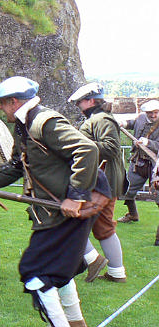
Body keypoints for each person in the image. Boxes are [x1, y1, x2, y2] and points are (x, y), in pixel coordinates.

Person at [0, 76, 98, 327]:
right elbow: (15, 167)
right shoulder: (23, 126)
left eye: (2, 103)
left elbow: (87, 150)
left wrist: (76, 194)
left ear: (14, 101)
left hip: (64, 211)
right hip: (51, 211)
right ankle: (74, 323)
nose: (0, 108)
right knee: (60, 270)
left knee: (34, 270)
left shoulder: (44, 122)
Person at [68, 83, 127, 282]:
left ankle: (95, 261)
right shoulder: (100, 119)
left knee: (73, 219)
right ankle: (116, 272)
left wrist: (79, 144)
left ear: (91, 101)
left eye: (80, 102)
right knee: (103, 227)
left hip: (102, 184)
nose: (78, 105)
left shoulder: (101, 119)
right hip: (104, 182)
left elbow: (110, 148)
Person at [117, 100, 159, 234]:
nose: (153, 115)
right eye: (150, 113)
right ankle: (132, 214)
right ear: (146, 113)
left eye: (156, 112)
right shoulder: (141, 118)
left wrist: (149, 142)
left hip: (156, 165)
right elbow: (134, 123)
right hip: (139, 162)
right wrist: (124, 123)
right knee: (127, 189)